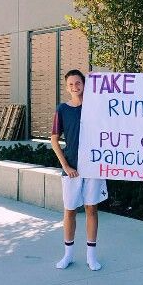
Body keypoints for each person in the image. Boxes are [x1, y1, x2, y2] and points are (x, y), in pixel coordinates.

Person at [50, 69, 108, 271]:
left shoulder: (95, 107)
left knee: (92, 209)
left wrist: (100, 76)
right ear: (67, 87)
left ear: (85, 84)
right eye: (71, 84)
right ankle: (68, 255)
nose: (75, 87)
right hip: (72, 167)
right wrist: (65, 165)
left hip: (93, 166)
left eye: (79, 83)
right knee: (70, 210)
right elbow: (54, 139)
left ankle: (91, 256)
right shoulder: (62, 109)